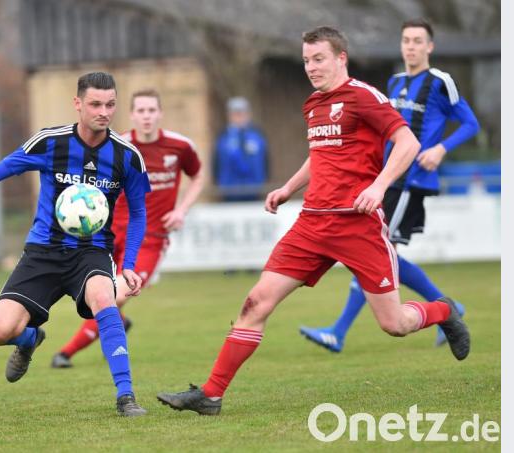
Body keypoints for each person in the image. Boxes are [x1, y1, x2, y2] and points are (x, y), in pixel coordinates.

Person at [156, 26, 469, 416]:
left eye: (318, 59)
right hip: (312, 223)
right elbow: (319, 154)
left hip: (358, 224)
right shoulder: (313, 104)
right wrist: (288, 187)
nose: (311, 67)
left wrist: (378, 187)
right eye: (306, 60)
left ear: (341, 58)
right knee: (255, 303)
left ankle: (443, 311)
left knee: (394, 324)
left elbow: (408, 143)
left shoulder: (364, 96)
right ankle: (211, 395)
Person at [0, 72, 151, 417]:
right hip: (43, 252)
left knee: (105, 299)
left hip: (91, 253)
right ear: (78, 104)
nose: (104, 112)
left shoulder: (127, 157)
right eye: (95, 104)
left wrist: (128, 264)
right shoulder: (49, 142)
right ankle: (29, 339)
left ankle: (126, 396)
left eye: (110, 104)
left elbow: (138, 213)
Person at [299, 18, 480, 353]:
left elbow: (470, 124)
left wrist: (441, 149)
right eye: (406, 40)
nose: (410, 46)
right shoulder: (395, 82)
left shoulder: (440, 81)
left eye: (417, 41)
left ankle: (338, 331)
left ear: (430, 47)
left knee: (374, 254)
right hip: (385, 179)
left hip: (412, 180)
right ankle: (448, 306)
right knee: (384, 254)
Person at [51, 88, 204, 368]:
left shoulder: (180, 146)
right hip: (110, 234)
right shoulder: (116, 145)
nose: (146, 116)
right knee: (95, 294)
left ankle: (65, 353)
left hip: (150, 240)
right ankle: (118, 323)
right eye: (141, 111)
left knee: (114, 295)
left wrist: (181, 210)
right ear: (132, 115)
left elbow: (198, 175)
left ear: (160, 113)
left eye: (151, 110)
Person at [213, 96, 269, 201]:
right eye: (235, 114)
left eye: (242, 113)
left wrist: (263, 183)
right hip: (229, 192)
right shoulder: (223, 136)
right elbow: (216, 164)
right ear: (229, 115)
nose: (239, 117)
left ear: (248, 114)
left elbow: (266, 161)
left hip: (255, 191)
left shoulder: (257, 134)